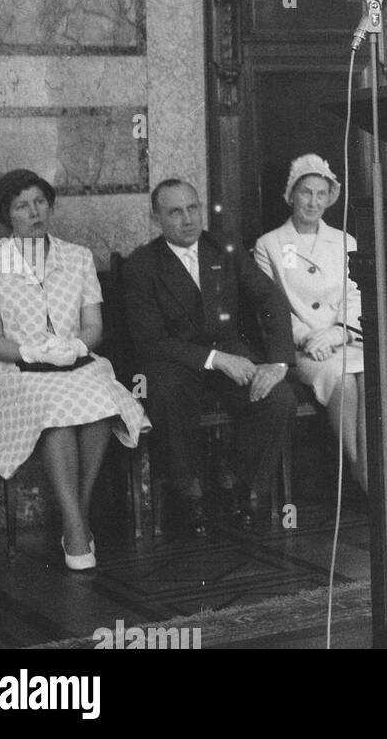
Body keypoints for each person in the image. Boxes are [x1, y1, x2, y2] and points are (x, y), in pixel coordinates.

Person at [0, 169, 148, 570]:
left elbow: (94, 327)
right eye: (21, 206)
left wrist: (76, 346)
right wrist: (31, 351)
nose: (34, 212)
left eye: (39, 202)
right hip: (17, 372)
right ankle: (76, 523)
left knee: (101, 398)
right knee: (57, 413)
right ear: (6, 214)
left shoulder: (78, 256)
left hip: (76, 363)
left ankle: (76, 518)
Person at [122, 179, 295, 534]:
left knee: (279, 398)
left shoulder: (225, 249)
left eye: (193, 208)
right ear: (155, 218)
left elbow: (270, 299)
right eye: (175, 212)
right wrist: (214, 359)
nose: (188, 219)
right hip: (174, 358)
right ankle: (189, 493)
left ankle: (240, 481)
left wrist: (277, 363)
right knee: (167, 392)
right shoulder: (141, 264)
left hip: (230, 352)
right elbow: (149, 341)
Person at [253, 155, 366, 491]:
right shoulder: (270, 245)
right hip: (303, 351)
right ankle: (363, 475)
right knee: (340, 378)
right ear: (291, 194)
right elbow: (271, 307)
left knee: (373, 376)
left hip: (345, 341)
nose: (313, 201)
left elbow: (356, 292)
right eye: (306, 192)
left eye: (321, 193)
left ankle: (369, 474)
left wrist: (338, 332)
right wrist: (307, 338)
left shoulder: (345, 242)